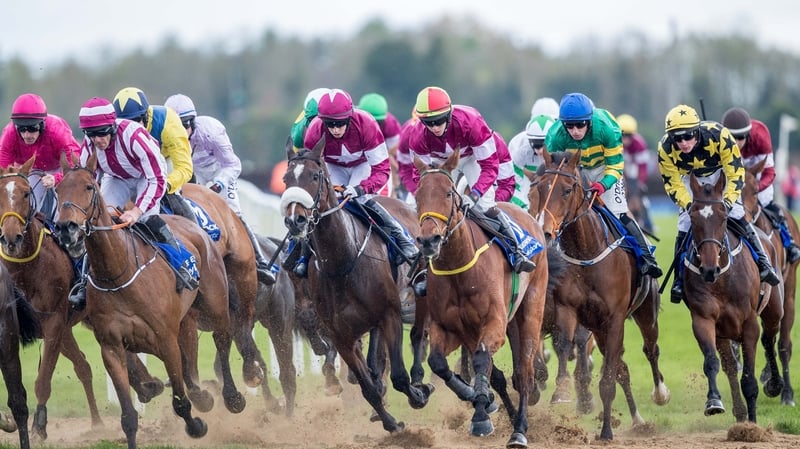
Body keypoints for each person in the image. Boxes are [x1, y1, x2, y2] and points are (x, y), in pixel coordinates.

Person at [69, 97, 198, 310]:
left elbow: (157, 179)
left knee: (147, 219)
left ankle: (182, 263)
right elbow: (84, 178)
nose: (97, 140)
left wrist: (136, 211)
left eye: (102, 133)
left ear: (112, 127)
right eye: (91, 134)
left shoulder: (134, 136)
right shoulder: (89, 145)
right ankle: (83, 282)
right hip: (116, 177)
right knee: (97, 223)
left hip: (147, 176)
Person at [286, 88, 419, 276]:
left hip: (362, 164)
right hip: (333, 166)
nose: (335, 129)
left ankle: (401, 239)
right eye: (330, 124)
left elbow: (382, 169)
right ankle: (302, 253)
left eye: (340, 124)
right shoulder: (314, 130)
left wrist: (362, 188)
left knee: (361, 201)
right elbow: (311, 168)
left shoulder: (367, 124)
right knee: (319, 204)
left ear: (350, 116)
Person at [658, 104, 781, 304]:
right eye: (677, 138)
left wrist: (729, 202)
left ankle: (763, 262)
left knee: (737, 213)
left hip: (720, 173)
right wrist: (689, 206)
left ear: (697, 130)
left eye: (688, 136)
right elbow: (672, 183)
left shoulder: (720, 135)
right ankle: (678, 279)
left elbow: (736, 173)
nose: (683, 143)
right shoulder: (664, 148)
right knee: (685, 223)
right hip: (690, 178)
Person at [407, 86, 536, 274]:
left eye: (439, 121)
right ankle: (420, 268)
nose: (434, 127)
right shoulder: (417, 136)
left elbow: (490, 167)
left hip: (473, 158)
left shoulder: (471, 121)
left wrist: (474, 195)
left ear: (449, 113)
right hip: (442, 165)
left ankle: (517, 249)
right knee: (427, 208)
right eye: (428, 123)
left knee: (485, 205)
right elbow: (419, 175)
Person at [545, 92, 662, 278]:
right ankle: (547, 261)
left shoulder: (606, 127)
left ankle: (647, 256)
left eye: (580, 125)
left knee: (619, 212)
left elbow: (616, 165)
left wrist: (603, 185)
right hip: (577, 170)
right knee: (559, 212)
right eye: (569, 126)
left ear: (589, 121)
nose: (575, 131)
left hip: (604, 168)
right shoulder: (555, 136)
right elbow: (554, 170)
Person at [164, 93, 277, 285]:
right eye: (175, 126)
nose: (180, 132)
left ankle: (261, 261)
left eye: (184, 125)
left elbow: (233, 164)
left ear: (192, 121)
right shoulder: (166, 136)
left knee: (233, 212)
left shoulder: (211, 130)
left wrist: (220, 183)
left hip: (220, 170)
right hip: (192, 172)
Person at [721, 106, 800, 264]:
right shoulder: (719, 140)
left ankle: (789, 242)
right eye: (732, 138)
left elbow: (770, 172)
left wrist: (755, 188)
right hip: (733, 170)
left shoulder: (760, 135)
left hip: (757, 170)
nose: (736, 142)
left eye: (740, 138)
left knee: (766, 200)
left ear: (748, 134)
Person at [112, 87, 195, 220]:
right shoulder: (115, 128)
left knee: (170, 195)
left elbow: (184, 168)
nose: (130, 127)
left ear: (146, 116)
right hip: (138, 165)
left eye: (135, 121)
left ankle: (193, 227)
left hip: (166, 161)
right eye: (125, 122)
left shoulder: (168, 123)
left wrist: (166, 184)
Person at [0, 93, 81, 220]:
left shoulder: (57, 130)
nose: (27, 135)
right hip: (31, 169)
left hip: (60, 168)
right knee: (26, 207)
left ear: (42, 125)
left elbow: (74, 165)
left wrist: (57, 178)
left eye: (33, 128)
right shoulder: (9, 134)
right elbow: (4, 172)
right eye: (22, 129)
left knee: (62, 213)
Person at [357, 93, 402, 197]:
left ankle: (394, 191)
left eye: (378, 122)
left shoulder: (391, 125)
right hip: (359, 156)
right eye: (367, 120)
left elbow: (394, 152)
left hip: (381, 152)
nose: (373, 124)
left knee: (391, 163)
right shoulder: (352, 121)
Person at [616, 113, 655, 232]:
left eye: (628, 136)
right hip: (619, 170)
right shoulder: (614, 142)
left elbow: (642, 167)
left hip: (634, 170)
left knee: (643, 199)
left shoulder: (639, 144)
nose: (625, 139)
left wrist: (640, 183)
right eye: (623, 135)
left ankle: (648, 225)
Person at [508, 114, 555, 210]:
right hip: (524, 179)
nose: (541, 151)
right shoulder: (520, 149)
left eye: (545, 145)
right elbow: (514, 183)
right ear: (530, 141)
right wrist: (523, 207)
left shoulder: (561, 147)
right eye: (537, 145)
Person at [290, 88, 330, 152]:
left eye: (321, 119)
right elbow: (295, 155)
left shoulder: (341, 118)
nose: (316, 123)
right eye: (313, 119)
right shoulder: (298, 135)